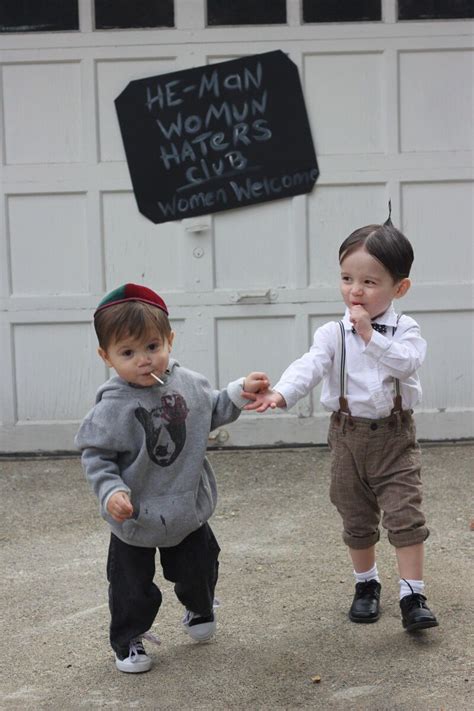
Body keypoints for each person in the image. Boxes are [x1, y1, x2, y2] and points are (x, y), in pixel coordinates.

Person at [244, 215, 439, 633]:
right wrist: (281, 392)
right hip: (347, 437)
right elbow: (310, 365)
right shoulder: (333, 332)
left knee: (405, 513)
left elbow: (407, 362)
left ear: (399, 288)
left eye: (369, 282)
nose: (355, 290)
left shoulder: (406, 330)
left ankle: (412, 593)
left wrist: (371, 336)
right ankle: (366, 585)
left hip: (394, 436)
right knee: (355, 514)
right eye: (347, 278)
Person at [75, 283, 268, 673]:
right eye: (127, 353)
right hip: (136, 515)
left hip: (186, 507)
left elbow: (211, 407)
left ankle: (199, 608)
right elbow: (97, 456)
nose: (144, 360)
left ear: (170, 340)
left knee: (200, 565)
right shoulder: (112, 407)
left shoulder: (188, 383)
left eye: (152, 347)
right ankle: (129, 639)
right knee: (131, 587)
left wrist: (240, 392)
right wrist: (111, 491)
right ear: (106, 356)